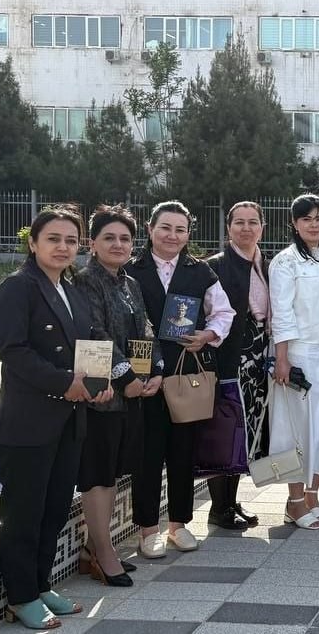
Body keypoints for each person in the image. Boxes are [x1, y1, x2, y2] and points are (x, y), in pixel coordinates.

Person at [0, 206, 111, 630]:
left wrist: (102, 380)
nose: (63, 247)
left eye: (70, 241)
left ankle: (41, 585)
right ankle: (21, 596)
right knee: (24, 512)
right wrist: (65, 383)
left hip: (69, 420)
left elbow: (91, 342)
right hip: (28, 422)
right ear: (33, 243)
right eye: (53, 239)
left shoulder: (71, 290)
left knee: (55, 507)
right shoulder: (17, 288)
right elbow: (13, 351)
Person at [125, 201, 235, 558]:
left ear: (188, 234)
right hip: (143, 375)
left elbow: (224, 312)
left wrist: (208, 335)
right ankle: (147, 530)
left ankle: (178, 524)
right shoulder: (131, 270)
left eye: (180, 229)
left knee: (183, 451)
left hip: (185, 374)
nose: (172, 236)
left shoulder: (199, 271)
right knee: (147, 454)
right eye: (165, 228)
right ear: (150, 229)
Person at [73, 206, 162, 587]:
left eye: (125, 238)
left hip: (131, 395)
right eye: (109, 237)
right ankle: (103, 552)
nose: (118, 244)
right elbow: (95, 334)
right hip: (102, 395)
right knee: (98, 474)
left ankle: (93, 548)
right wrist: (126, 377)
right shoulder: (85, 281)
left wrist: (155, 370)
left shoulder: (130, 284)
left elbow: (146, 329)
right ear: (92, 243)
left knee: (112, 472)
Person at [268, 194, 319, 529]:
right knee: (297, 427)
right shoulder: (285, 262)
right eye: (306, 219)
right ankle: (294, 500)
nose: (314, 225)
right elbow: (282, 313)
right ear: (294, 223)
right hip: (300, 355)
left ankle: (313, 494)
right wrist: (282, 358)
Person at [205, 201, 272, 530]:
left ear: (262, 227)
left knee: (247, 432)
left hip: (258, 358)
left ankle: (231, 501)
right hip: (229, 359)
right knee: (225, 431)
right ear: (228, 227)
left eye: (253, 222)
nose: (246, 228)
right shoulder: (215, 266)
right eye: (239, 222)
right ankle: (219, 508)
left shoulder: (266, 265)